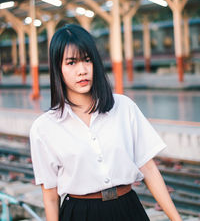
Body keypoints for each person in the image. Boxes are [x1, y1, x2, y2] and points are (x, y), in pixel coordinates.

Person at [30, 24, 182, 221]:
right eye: (71, 63)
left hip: (127, 208)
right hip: (80, 214)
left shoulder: (124, 107)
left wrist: (176, 219)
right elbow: (50, 196)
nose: (82, 70)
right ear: (57, 68)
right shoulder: (44, 128)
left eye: (87, 60)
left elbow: (150, 170)